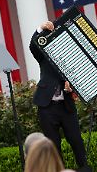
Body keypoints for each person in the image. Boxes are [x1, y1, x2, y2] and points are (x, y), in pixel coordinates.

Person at [29, 21, 91, 171]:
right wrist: (40, 29)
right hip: (47, 106)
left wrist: (72, 87)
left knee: (76, 141)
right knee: (53, 145)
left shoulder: (72, 58)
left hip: (66, 106)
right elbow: (33, 46)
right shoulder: (43, 55)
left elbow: (80, 77)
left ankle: (85, 168)